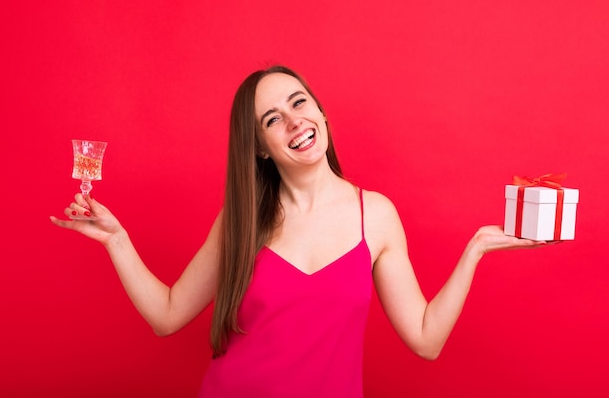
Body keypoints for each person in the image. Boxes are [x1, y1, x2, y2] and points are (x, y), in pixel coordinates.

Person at [50, 65, 551, 398]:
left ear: (321, 111)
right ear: (262, 148)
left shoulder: (374, 214)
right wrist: (117, 239)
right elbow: (166, 315)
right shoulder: (242, 218)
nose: (295, 121)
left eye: (300, 103)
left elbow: (426, 339)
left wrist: (477, 249)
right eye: (273, 119)